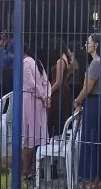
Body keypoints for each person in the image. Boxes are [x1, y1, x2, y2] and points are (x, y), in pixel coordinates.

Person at [73, 33, 101, 189]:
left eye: (88, 42)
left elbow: (87, 88)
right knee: (95, 140)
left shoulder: (96, 63)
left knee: (91, 140)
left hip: (94, 102)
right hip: (99, 101)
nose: (85, 44)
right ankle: (96, 178)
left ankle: (93, 180)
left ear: (95, 45)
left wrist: (77, 100)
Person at [22, 45, 49, 181]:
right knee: (36, 135)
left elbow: (30, 84)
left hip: (30, 101)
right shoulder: (37, 62)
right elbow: (46, 82)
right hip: (40, 103)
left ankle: (26, 171)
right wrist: (47, 96)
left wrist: (42, 96)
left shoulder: (25, 63)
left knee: (27, 138)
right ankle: (33, 169)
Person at [48, 42, 74, 138]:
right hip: (65, 90)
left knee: (55, 116)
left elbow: (58, 82)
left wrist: (49, 92)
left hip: (58, 92)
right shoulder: (67, 60)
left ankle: (55, 137)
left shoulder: (60, 61)